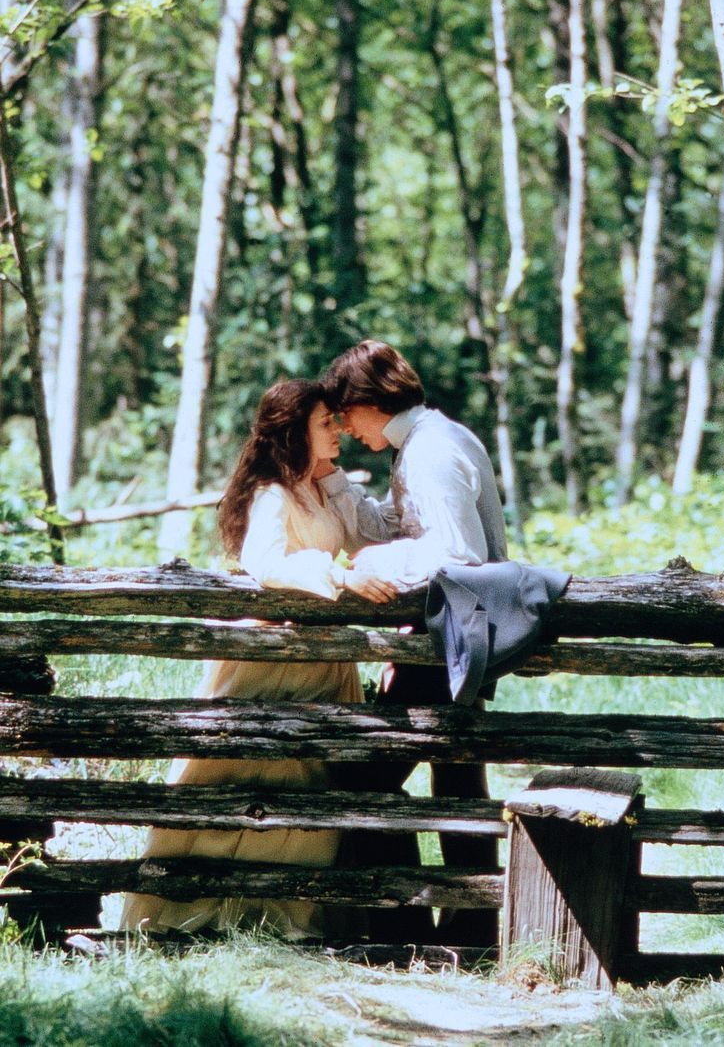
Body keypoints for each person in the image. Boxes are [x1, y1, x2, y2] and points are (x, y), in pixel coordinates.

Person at [120, 379, 395, 939]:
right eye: (324, 424)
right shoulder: (273, 493)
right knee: (239, 768)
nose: (337, 430)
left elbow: (371, 528)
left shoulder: (319, 486)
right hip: (273, 656)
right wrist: (338, 575)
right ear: (295, 430)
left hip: (320, 657)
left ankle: (285, 914)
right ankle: (189, 908)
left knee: (314, 778)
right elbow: (265, 562)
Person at [319, 340, 508, 946]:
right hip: (449, 636)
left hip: (447, 634)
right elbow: (408, 528)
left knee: (368, 780)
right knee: (457, 781)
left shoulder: (431, 452)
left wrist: (377, 560)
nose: (343, 428)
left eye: (344, 415)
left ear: (366, 402)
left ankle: (404, 933)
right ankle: (471, 932)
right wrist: (339, 489)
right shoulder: (427, 441)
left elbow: (460, 555)